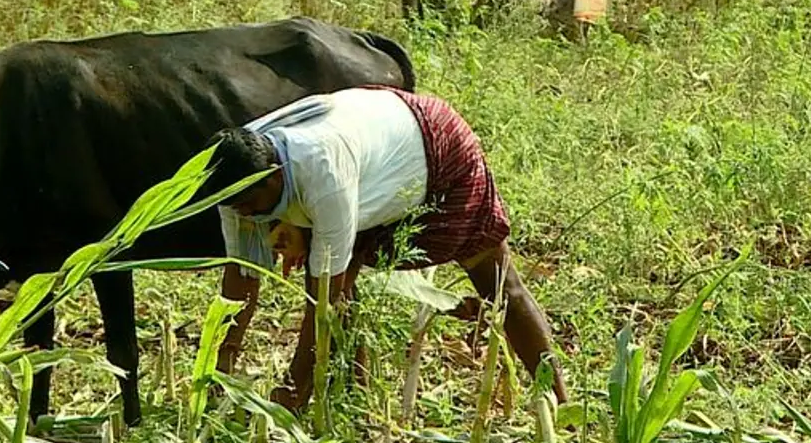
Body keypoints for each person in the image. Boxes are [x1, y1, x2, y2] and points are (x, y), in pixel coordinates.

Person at [206, 85, 567, 411]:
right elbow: (241, 276)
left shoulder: (324, 174)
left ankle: (561, 409)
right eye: (238, 207)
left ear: (274, 176)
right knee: (340, 281)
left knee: (500, 285)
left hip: (434, 150)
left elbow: (322, 304)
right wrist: (219, 368)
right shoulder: (234, 179)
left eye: (253, 205)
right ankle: (357, 396)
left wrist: (287, 397)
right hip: (370, 154)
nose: (248, 215)